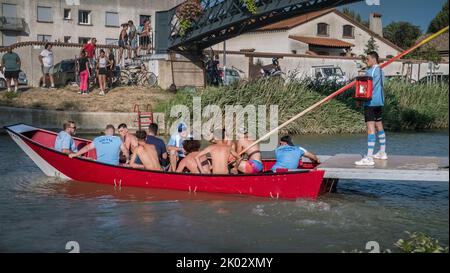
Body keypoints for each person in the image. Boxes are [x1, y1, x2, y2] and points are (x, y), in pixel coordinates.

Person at [355, 51, 388, 166]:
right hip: (379, 102)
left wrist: (359, 100)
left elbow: (364, 88)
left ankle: (369, 158)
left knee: (370, 128)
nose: (366, 61)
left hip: (370, 102)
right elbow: (383, 86)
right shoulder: (381, 71)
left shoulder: (370, 71)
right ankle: (382, 152)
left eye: (367, 59)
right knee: (379, 125)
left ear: (374, 59)